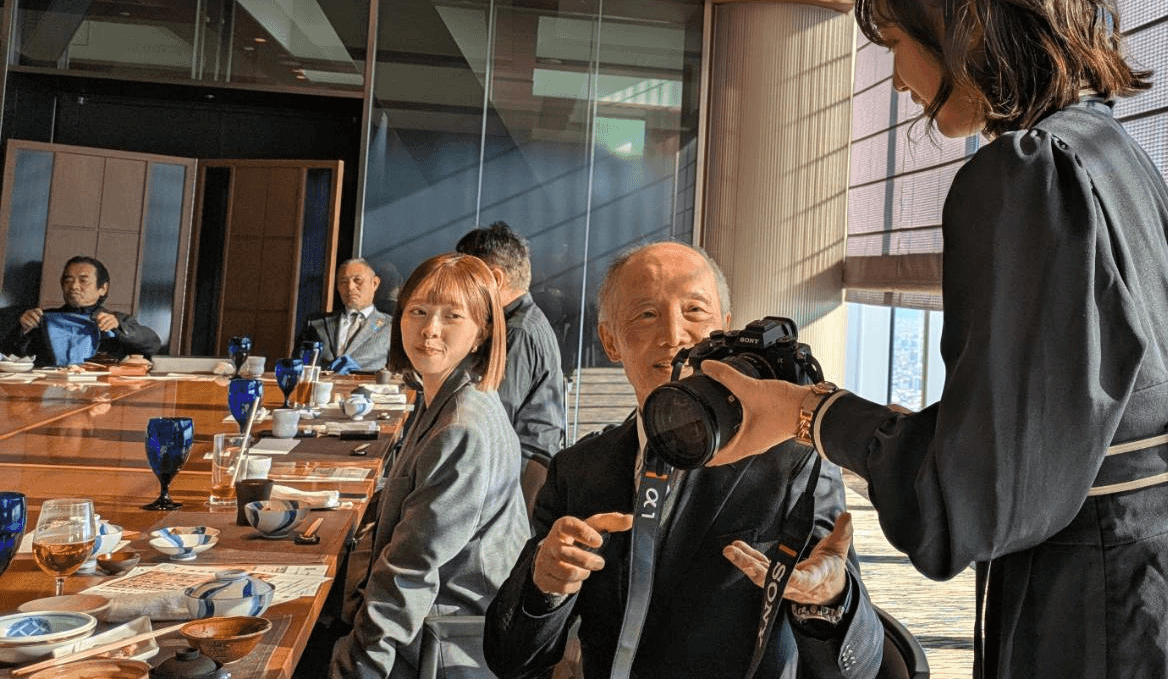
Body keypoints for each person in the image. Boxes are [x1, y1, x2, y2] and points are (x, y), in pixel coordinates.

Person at [699, 0, 1168, 678]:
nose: (897, 78)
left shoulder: (1023, 176)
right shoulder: (1110, 153)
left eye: (897, 41)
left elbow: (970, 503)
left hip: (1105, 611)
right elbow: (1060, 431)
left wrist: (806, 413)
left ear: (961, 23)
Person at [483, 241, 883, 679]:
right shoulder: (577, 471)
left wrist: (828, 600)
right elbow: (511, 659)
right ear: (610, 340)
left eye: (694, 311)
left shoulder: (791, 461)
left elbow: (859, 668)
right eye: (646, 314)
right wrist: (544, 587)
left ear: (725, 330)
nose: (674, 336)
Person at [332, 253, 529, 679]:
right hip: (422, 624)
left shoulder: (462, 427)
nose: (429, 329)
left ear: (482, 332)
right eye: (418, 311)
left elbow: (410, 573)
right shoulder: (445, 395)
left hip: (441, 645)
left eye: (452, 316)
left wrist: (356, 668)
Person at [454, 222, 567, 503]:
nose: (459, 288)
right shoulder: (519, 322)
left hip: (514, 478)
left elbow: (493, 416)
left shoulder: (517, 332)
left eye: (466, 278)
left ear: (495, 278)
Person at [5, 256, 162, 365]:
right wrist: (22, 329)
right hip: (49, 391)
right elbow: (11, 355)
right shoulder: (43, 319)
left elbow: (152, 344)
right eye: (68, 280)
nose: (74, 286)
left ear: (103, 288)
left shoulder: (116, 320)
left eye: (83, 281)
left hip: (100, 393)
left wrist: (120, 328)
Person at [301, 259, 392, 372]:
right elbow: (300, 364)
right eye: (344, 282)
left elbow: (399, 372)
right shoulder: (316, 323)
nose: (350, 287)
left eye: (357, 280)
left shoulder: (391, 326)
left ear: (375, 283)